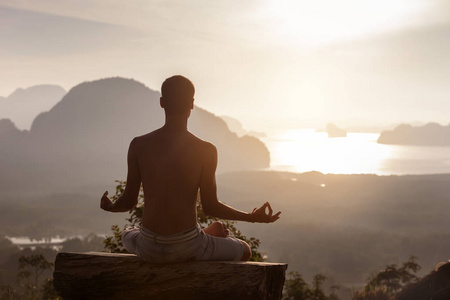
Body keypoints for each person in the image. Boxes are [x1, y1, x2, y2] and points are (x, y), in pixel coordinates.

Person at [100, 75, 281, 263]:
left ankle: (209, 232)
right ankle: (208, 233)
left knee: (128, 234)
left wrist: (111, 206)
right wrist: (252, 217)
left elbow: (129, 202)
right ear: (192, 104)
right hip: (188, 247)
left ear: (162, 103)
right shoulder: (206, 150)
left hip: (149, 247)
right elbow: (211, 207)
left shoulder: (138, 145)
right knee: (245, 250)